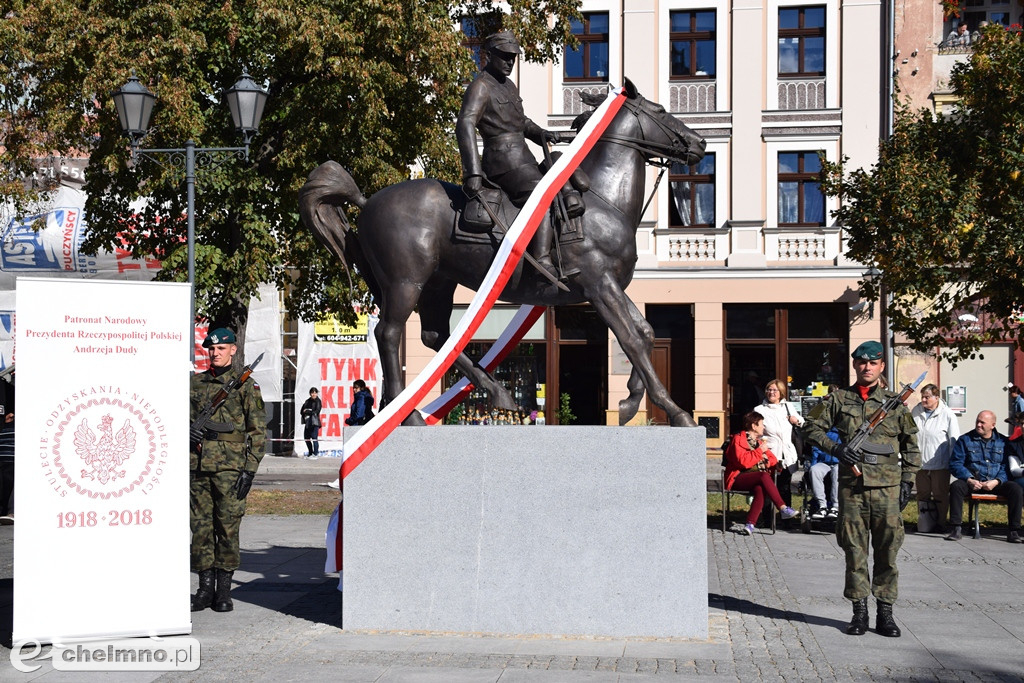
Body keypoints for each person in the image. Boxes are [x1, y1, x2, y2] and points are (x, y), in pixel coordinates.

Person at [804, 341, 920, 638]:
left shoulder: (896, 404)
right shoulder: (838, 400)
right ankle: (859, 612)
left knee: (887, 552)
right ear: (855, 366)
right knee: (854, 552)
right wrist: (836, 448)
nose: (866, 367)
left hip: (888, 489)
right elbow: (809, 425)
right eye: (861, 362)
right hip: (852, 489)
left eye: (872, 363)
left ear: (882, 366)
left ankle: (885, 613)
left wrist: (907, 481)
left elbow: (910, 447)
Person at [456, 31, 578, 281]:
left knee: (557, 170)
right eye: (504, 56)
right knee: (541, 193)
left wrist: (543, 133)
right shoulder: (480, 86)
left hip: (523, 157)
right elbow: (465, 124)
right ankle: (541, 261)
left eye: (513, 57)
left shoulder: (508, 86)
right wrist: (473, 171)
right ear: (488, 56)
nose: (510, 62)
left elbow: (520, 121)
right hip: (501, 161)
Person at [190, 327, 266, 613]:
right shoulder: (194, 385)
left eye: (221, 349)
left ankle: (223, 590)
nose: (215, 353)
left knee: (227, 527)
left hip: (230, 469)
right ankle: (204, 588)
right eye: (211, 348)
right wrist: (187, 433)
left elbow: (258, 432)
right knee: (200, 528)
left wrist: (249, 470)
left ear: (233, 350)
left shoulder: (246, 386)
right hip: (197, 467)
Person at [944, 410, 1024, 543]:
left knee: (1015, 489)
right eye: (977, 421)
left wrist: (997, 481)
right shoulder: (965, 440)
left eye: (982, 422)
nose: (978, 425)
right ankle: (956, 528)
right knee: (956, 487)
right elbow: (955, 464)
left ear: (992, 425)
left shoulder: (1003, 442)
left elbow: (1006, 466)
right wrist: (969, 479)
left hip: (995, 483)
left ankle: (1013, 531)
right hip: (973, 482)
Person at [723, 411, 798, 535]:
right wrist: (759, 453)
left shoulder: (759, 443)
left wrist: (771, 461)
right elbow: (743, 462)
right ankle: (783, 508)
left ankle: (750, 524)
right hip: (738, 477)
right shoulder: (738, 439)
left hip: (755, 478)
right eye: (762, 424)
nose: (764, 427)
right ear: (754, 426)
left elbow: (772, 459)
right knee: (763, 476)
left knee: (760, 489)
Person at [911, 384, 959, 532]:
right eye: (922, 396)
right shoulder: (916, 411)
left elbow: (953, 439)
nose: (924, 400)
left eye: (927, 397)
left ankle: (940, 523)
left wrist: (952, 462)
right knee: (922, 494)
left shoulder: (948, 414)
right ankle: (925, 522)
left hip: (940, 463)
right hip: (920, 464)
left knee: (940, 494)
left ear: (936, 397)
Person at [754, 378, 804, 510]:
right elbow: (755, 430)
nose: (771, 392)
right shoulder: (759, 409)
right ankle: (768, 519)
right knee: (768, 486)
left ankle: (786, 518)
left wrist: (796, 420)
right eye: (769, 390)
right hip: (769, 453)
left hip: (788, 453)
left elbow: (801, 422)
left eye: (774, 390)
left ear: (781, 392)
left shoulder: (788, 406)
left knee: (785, 487)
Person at [807, 426, 841, 519]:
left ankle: (836, 506)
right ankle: (822, 506)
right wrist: (812, 465)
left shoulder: (844, 434)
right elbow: (816, 450)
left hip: (839, 463)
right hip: (824, 463)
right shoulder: (823, 433)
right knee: (814, 470)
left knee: (837, 471)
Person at [300, 387, 322, 456]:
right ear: (310, 393)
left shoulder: (318, 401)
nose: (314, 394)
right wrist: (305, 412)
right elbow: (301, 411)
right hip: (307, 422)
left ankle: (315, 454)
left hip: (314, 422)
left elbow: (317, 411)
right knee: (306, 438)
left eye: (315, 393)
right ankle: (310, 452)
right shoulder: (307, 401)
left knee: (314, 438)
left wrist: (307, 411)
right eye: (312, 393)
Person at [0, 410, 13, 524]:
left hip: (13, 460)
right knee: (4, 486)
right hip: (4, 460)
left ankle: (10, 512)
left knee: (10, 486)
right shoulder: (3, 425)